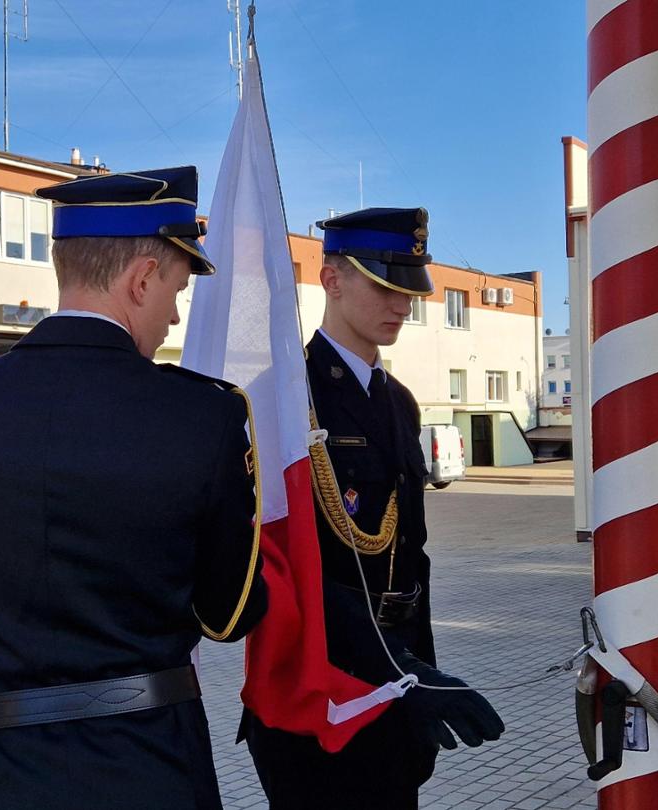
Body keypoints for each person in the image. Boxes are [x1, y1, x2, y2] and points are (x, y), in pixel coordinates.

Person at [0, 166, 266, 810]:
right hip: (149, 766)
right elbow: (229, 613)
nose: (175, 316)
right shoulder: (205, 413)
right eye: (176, 289)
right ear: (142, 278)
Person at [241, 208, 504, 809]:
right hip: (324, 686)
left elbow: (413, 554)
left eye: (408, 289)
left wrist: (421, 668)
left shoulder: (400, 402)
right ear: (332, 279)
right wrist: (399, 668)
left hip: (399, 678)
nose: (401, 304)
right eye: (385, 285)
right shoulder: (285, 397)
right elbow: (281, 564)